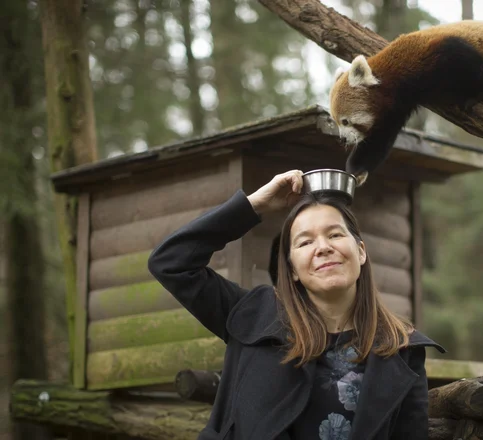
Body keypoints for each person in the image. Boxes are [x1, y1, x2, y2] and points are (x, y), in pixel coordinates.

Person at [148, 169, 445, 440]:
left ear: (361, 252)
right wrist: (254, 206)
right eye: (305, 242)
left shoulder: (402, 348)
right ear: (291, 269)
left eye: (335, 234)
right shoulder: (254, 314)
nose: (323, 247)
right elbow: (171, 262)